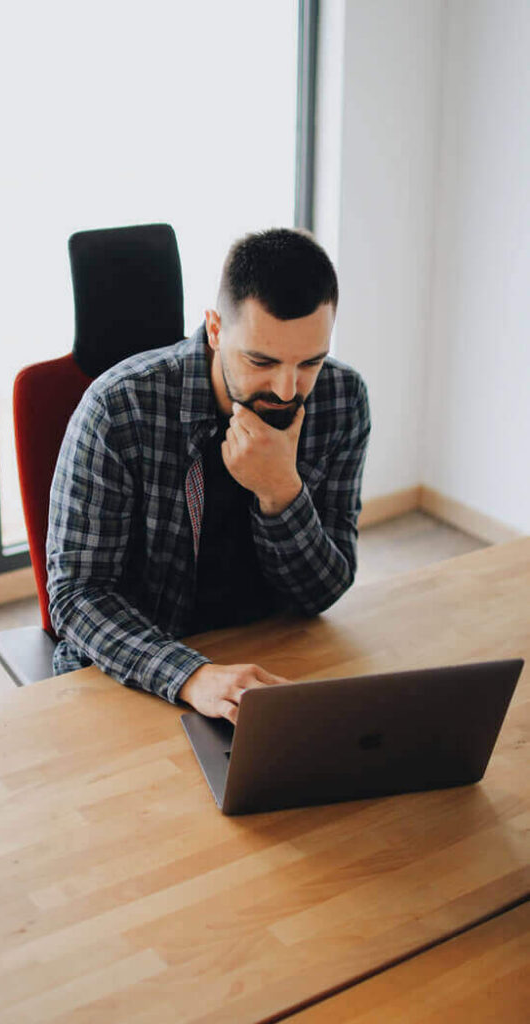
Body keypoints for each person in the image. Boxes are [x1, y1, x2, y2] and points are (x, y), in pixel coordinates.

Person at [47, 227, 370, 724]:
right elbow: (76, 597)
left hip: (267, 662)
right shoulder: (119, 408)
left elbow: (323, 592)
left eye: (310, 362)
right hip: (138, 673)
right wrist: (192, 675)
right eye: (261, 360)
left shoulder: (342, 399)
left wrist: (280, 491)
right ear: (216, 329)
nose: (287, 390)